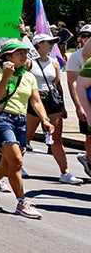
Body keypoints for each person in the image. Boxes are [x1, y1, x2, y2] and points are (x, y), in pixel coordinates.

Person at [0, 40, 55, 219]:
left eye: (25, 53)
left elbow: (35, 100)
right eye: (19, 53)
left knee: (7, 163)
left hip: (20, 120)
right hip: (2, 118)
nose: (24, 55)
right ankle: (22, 202)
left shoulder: (29, 76)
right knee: (17, 162)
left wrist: (45, 119)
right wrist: (5, 76)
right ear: (8, 57)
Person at [25, 33, 82, 184]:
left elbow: (57, 84)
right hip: (34, 99)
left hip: (51, 100)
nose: (51, 45)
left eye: (52, 42)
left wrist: (62, 104)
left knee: (57, 138)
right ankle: (16, 164)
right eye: (48, 42)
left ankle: (65, 172)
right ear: (38, 45)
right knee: (26, 136)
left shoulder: (54, 62)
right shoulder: (29, 63)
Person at [64, 24, 91, 179]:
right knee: (89, 136)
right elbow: (73, 83)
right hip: (87, 101)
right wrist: (79, 106)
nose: (85, 38)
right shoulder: (77, 56)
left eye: (89, 35)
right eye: (84, 36)